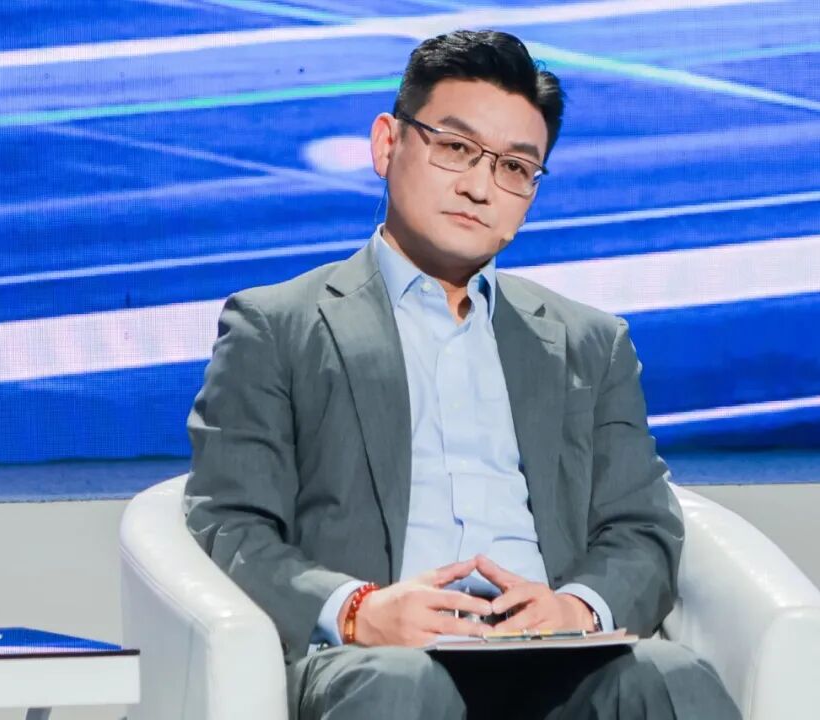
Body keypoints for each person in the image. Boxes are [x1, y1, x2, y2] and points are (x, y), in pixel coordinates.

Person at [184, 29, 740, 719]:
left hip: (555, 657)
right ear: (387, 144)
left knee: (671, 676)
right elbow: (232, 523)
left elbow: (642, 528)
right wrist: (358, 609)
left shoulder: (591, 343)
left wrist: (576, 608)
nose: (480, 187)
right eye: (455, 148)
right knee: (401, 688)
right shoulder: (277, 326)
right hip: (381, 658)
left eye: (515, 167)